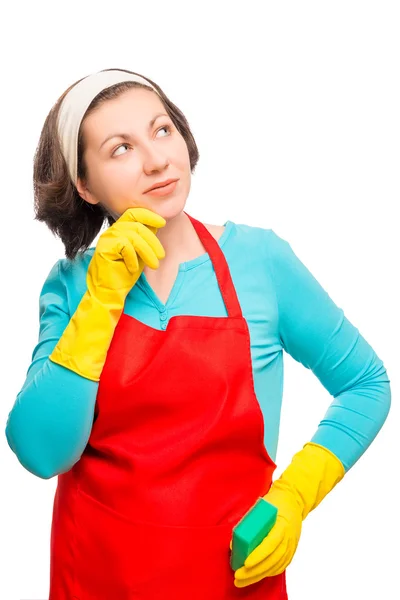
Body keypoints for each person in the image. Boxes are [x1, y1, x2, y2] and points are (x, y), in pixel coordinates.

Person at [5, 68, 391, 599]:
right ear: (84, 185)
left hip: (235, 579)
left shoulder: (261, 262)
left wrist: (295, 497)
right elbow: (41, 451)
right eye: (120, 148)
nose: (157, 159)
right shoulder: (73, 287)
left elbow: (366, 383)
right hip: (96, 577)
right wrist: (101, 301)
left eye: (162, 130)